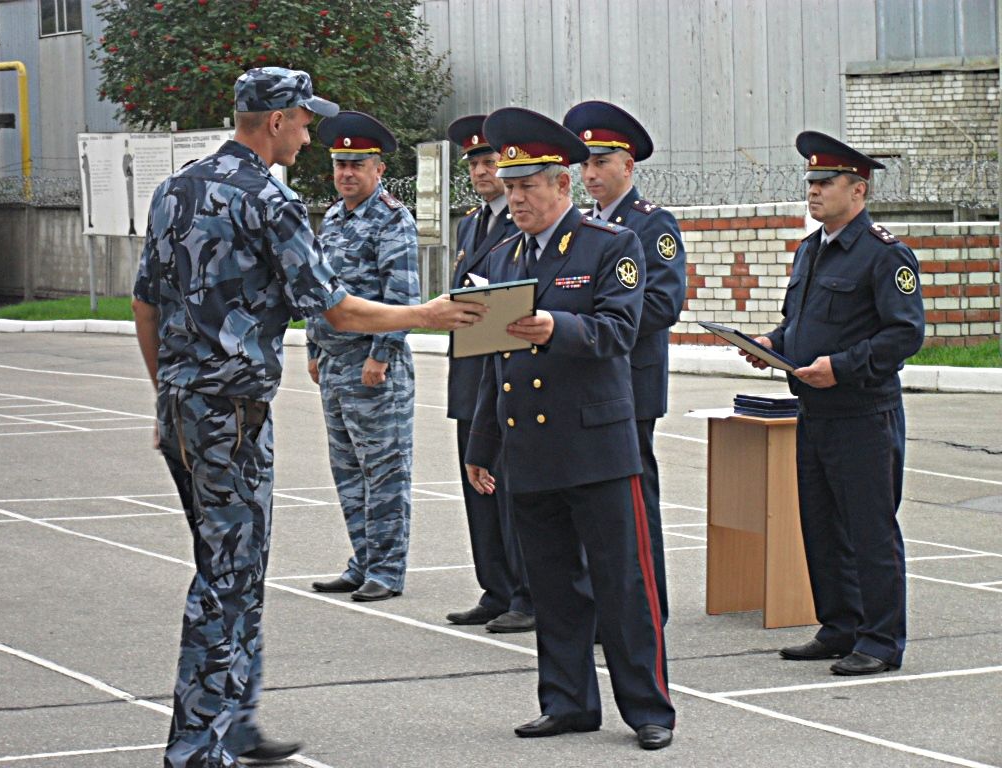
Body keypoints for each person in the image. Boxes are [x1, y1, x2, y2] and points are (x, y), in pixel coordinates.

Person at [131, 67, 484, 768]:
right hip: (231, 413)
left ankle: (236, 721)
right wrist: (428, 315)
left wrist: (165, 394)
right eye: (302, 120)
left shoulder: (177, 189)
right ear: (273, 122)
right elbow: (337, 308)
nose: (309, 133)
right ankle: (197, 744)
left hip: (186, 407)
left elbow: (146, 304)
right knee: (227, 577)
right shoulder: (269, 198)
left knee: (236, 565)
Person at [465, 107, 676, 751]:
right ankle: (567, 701)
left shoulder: (611, 244)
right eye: (512, 182)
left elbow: (620, 329)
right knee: (554, 587)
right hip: (529, 446)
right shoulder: (501, 257)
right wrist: (483, 445)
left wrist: (559, 326)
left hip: (597, 444)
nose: (517, 194)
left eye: (530, 183)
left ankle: (648, 708)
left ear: (562, 185)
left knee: (623, 584)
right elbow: (491, 361)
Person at [743, 130, 924, 677]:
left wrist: (840, 367)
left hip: (862, 413)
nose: (813, 192)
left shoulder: (884, 254)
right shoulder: (811, 249)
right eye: (811, 182)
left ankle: (880, 639)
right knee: (821, 526)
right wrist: (774, 343)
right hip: (813, 410)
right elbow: (802, 322)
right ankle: (840, 625)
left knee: (869, 529)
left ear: (859, 190)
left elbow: (905, 334)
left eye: (825, 182)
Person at [563, 101, 686, 626]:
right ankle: (601, 606)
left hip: (629, 383)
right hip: (586, 385)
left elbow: (662, 303)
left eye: (601, 162)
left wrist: (595, 321)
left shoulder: (649, 224)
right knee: (591, 503)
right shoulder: (584, 228)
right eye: (584, 164)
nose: (590, 174)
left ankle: (644, 607)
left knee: (633, 502)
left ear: (628, 165)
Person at [306, 112, 419, 603]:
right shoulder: (333, 218)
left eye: (357, 164)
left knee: (385, 471)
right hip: (334, 367)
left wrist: (381, 355)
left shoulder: (393, 220)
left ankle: (388, 570)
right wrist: (313, 348)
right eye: (340, 164)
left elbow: (402, 298)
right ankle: (363, 560)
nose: (347, 173)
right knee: (349, 471)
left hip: (374, 368)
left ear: (378, 170)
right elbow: (318, 290)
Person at [443, 114, 533, 633]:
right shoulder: (472, 223)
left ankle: (526, 591)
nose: (481, 170)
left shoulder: (519, 224)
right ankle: (494, 586)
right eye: (474, 163)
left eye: (489, 160)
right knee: (476, 482)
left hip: (502, 366)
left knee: (508, 484)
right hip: (470, 370)